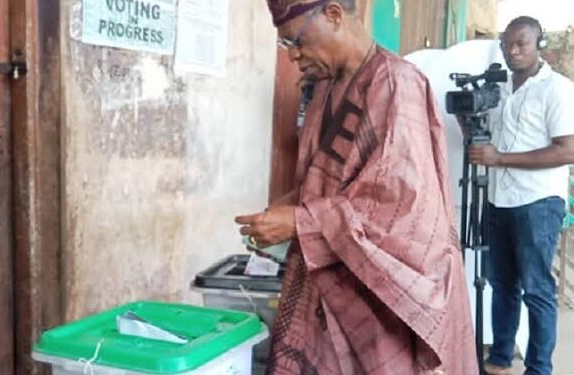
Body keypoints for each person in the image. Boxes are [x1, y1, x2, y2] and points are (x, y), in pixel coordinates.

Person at [235, 1, 478, 373]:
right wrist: (281, 213)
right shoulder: (324, 88)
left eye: (295, 41)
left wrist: (301, 222)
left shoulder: (396, 83)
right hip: (334, 272)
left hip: (383, 291)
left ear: (333, 15)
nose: (294, 56)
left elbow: (400, 207)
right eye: (286, 47)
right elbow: (322, 180)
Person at [468, 16, 574, 375]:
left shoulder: (557, 89)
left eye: (521, 44)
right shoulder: (499, 88)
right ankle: (499, 358)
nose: (512, 51)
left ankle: (539, 368)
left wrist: (500, 159)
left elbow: (567, 150)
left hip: (538, 203)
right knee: (503, 286)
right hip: (499, 200)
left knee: (536, 289)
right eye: (507, 44)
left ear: (539, 44)